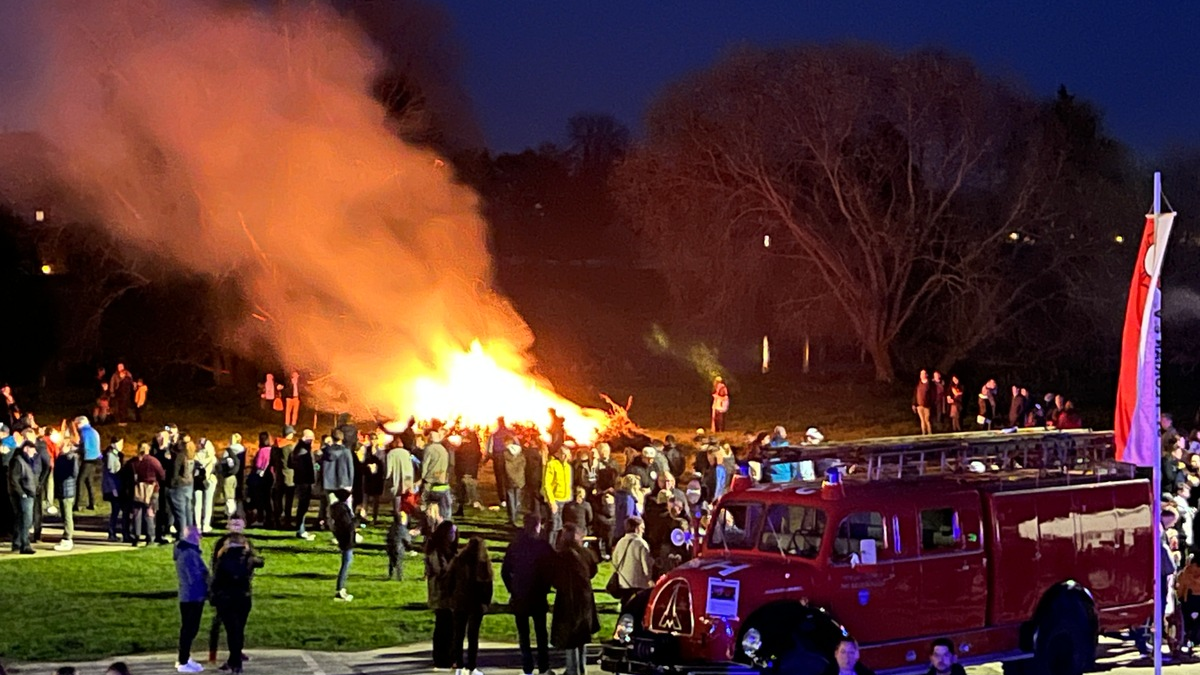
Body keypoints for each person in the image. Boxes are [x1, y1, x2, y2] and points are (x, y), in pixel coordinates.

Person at [502, 514, 555, 675]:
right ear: (537, 526)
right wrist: (547, 586)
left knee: (523, 634)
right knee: (541, 633)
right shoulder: (543, 546)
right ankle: (544, 667)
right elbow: (551, 569)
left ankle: (527, 667)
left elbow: (505, 571)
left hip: (520, 595)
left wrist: (512, 588)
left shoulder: (515, 546)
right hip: (537, 595)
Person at [210, 519, 263, 675]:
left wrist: (213, 596)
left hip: (226, 599)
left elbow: (216, 578)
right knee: (238, 630)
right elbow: (260, 562)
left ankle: (235, 661)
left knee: (231, 630)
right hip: (243, 597)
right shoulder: (248, 558)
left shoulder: (223, 560)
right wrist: (248, 551)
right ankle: (235, 660)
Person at [552, 522, 599, 675]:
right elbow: (593, 570)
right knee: (581, 634)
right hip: (584, 597)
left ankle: (573, 668)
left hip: (567, 598)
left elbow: (555, 578)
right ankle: (581, 667)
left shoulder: (560, 556)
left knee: (570, 635)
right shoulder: (586, 553)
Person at [448, 536, 494, 675]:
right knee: (473, 636)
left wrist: (452, 596)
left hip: (460, 601)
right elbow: (488, 586)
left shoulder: (459, 561)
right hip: (477, 604)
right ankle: (471, 667)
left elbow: (450, 581)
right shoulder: (483, 564)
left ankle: (458, 665)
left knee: (458, 635)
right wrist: (486, 603)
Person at [425, 520, 459, 670]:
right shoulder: (436, 552)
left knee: (449, 627)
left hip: (451, 596)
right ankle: (442, 657)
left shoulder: (450, 551)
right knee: (444, 627)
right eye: (452, 533)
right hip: (441, 595)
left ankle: (448, 656)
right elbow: (440, 572)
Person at [175, 525, 209, 673]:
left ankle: (185, 658)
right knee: (189, 629)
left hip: (189, 596)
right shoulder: (189, 554)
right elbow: (194, 577)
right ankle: (183, 660)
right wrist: (207, 588)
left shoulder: (186, 552)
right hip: (193, 596)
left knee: (189, 629)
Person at [608, 516, 653, 606]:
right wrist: (649, 579)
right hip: (638, 584)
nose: (643, 531)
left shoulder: (620, 542)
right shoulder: (641, 544)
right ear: (636, 529)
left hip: (623, 582)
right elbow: (646, 567)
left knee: (625, 608)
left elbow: (615, 561)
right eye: (642, 528)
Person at [131, 442, 165, 547]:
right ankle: (150, 538)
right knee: (149, 513)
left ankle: (135, 537)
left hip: (138, 490)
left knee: (137, 514)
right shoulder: (153, 461)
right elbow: (162, 475)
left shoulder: (134, 462)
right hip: (152, 490)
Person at [327, 489, 357, 601]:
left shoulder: (335, 508)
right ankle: (340, 590)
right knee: (346, 564)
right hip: (347, 541)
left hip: (342, 539)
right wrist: (358, 518)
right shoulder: (343, 509)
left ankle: (341, 589)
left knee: (347, 563)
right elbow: (349, 525)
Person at [11, 442, 40, 554]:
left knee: (20, 519)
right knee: (26, 520)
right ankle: (25, 545)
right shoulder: (19, 461)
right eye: (33, 449)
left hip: (28, 493)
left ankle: (17, 543)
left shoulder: (27, 461)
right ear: (26, 449)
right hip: (24, 495)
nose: (35, 452)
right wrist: (22, 493)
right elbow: (14, 479)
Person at [52, 438, 81, 551]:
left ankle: (68, 538)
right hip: (63, 489)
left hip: (67, 490)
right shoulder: (63, 457)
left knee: (67, 515)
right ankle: (66, 537)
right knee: (65, 515)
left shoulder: (70, 457)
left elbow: (73, 473)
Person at [421, 429, 452, 526]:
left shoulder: (429, 449)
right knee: (442, 509)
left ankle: (428, 527)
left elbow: (425, 465)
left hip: (430, 482)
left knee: (428, 508)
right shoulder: (444, 450)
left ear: (430, 438)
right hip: (442, 482)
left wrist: (421, 478)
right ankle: (441, 526)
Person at [544, 445, 573, 547]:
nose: (564, 457)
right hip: (556, 500)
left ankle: (559, 545)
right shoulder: (552, 465)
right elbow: (547, 484)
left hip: (566, 500)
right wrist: (551, 501)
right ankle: (550, 546)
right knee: (554, 525)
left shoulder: (568, 467)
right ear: (558, 454)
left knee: (561, 525)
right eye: (563, 454)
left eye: (567, 454)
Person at [291, 429, 317, 540]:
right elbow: (306, 466)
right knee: (303, 506)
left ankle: (301, 529)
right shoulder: (303, 450)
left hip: (302, 480)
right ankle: (301, 530)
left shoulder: (299, 448)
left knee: (303, 505)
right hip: (304, 481)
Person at [103, 437, 128, 542]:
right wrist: (113, 489)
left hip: (117, 487)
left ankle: (114, 532)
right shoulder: (110, 456)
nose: (121, 445)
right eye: (119, 443)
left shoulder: (117, 455)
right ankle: (112, 532)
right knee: (116, 511)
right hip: (114, 488)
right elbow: (110, 475)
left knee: (117, 511)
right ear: (113, 444)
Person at [272, 426, 297, 530]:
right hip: (289, 476)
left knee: (278, 499)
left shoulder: (275, 446)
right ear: (289, 434)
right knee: (289, 501)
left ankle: (277, 520)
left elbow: (272, 461)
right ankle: (287, 521)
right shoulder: (290, 446)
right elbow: (292, 462)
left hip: (278, 476)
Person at [76, 416, 102, 511]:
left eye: (77, 424)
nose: (77, 426)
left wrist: (77, 450)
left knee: (80, 480)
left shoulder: (84, 432)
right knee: (89, 480)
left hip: (88, 458)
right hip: (96, 458)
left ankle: (78, 503)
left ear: (80, 423)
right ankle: (92, 503)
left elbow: (85, 446)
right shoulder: (93, 431)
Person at [193, 439, 218, 534]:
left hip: (198, 481)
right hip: (210, 480)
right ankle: (206, 525)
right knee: (208, 503)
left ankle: (197, 525)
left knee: (197, 504)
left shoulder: (196, 456)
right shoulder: (212, 457)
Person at [503, 440, 526, 527]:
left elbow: (505, 469)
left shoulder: (505, 455)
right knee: (517, 499)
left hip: (510, 480)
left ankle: (511, 518)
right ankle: (516, 515)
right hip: (520, 480)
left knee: (511, 499)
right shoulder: (521, 456)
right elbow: (523, 467)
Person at [386, 510, 412, 581]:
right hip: (399, 549)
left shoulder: (392, 527)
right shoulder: (403, 529)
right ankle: (399, 576)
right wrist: (409, 544)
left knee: (391, 562)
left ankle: (390, 574)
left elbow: (388, 536)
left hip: (390, 547)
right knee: (399, 563)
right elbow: (407, 539)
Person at [913, 370, 935, 435]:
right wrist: (914, 404)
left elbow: (932, 394)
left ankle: (930, 433)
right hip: (919, 405)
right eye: (921, 374)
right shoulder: (918, 384)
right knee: (922, 420)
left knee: (927, 420)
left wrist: (930, 403)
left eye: (923, 374)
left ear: (926, 375)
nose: (922, 375)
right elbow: (915, 394)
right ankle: (923, 433)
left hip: (927, 405)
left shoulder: (930, 384)